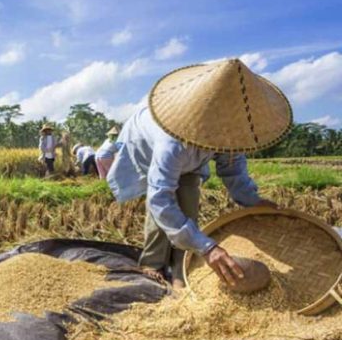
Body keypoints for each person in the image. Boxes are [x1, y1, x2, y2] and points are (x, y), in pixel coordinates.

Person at [107, 58, 290, 289]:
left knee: (189, 199)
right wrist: (209, 247)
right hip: (144, 147)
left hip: (189, 162)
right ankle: (152, 264)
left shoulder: (228, 136)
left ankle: (179, 269)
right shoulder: (171, 143)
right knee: (163, 208)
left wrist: (255, 202)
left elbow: (233, 171)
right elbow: (160, 198)